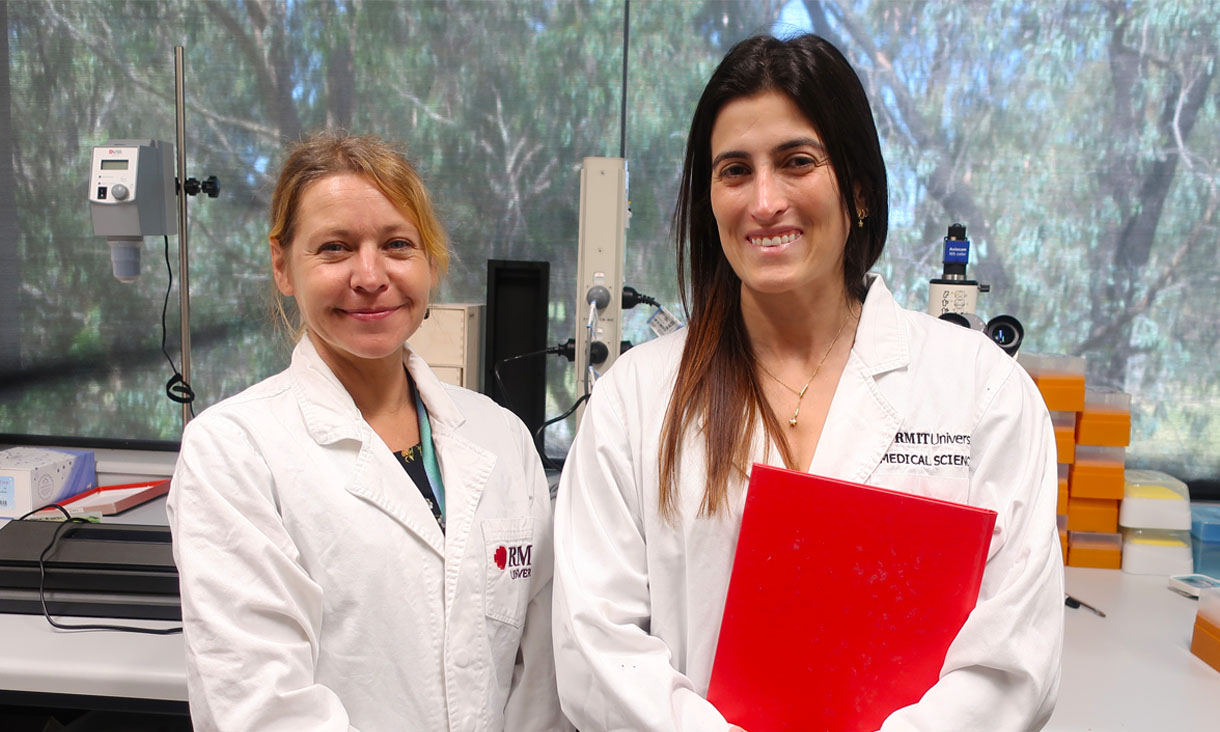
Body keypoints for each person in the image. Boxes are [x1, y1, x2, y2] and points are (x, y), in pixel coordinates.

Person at [552, 34, 1063, 732]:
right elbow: (595, 648)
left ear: (856, 189)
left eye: (797, 162)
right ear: (709, 199)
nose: (765, 202)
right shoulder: (635, 402)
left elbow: (1014, 658)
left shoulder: (982, 393)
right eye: (735, 171)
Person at [168, 132, 568, 731]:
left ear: (430, 261)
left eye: (397, 244)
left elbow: (539, 678)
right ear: (282, 264)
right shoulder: (232, 452)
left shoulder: (502, 437)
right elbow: (263, 710)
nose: (370, 274)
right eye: (334, 248)